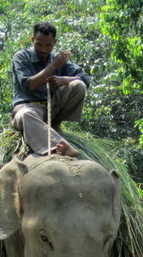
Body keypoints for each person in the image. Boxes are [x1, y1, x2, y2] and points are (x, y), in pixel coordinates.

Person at [11, 22, 92, 157]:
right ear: (32, 40)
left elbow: (86, 78)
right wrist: (53, 67)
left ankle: (56, 124)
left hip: (52, 109)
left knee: (79, 85)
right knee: (25, 115)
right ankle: (58, 146)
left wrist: (64, 80)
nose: (43, 49)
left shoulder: (59, 60)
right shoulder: (21, 57)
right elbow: (29, 85)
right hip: (28, 108)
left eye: (48, 45)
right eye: (39, 44)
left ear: (55, 43)